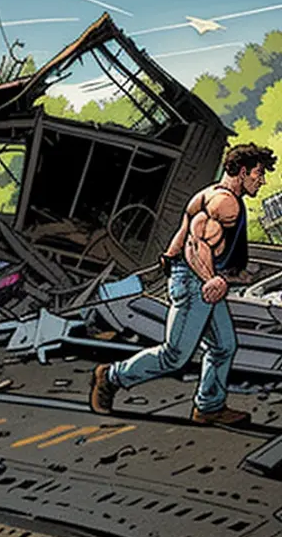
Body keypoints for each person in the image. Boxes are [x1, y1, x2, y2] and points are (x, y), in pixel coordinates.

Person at [91, 143, 276, 427]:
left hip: (195, 279)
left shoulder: (206, 194)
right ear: (242, 171)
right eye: (258, 174)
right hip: (196, 283)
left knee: (223, 345)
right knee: (174, 354)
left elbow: (185, 231)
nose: (261, 181)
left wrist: (168, 255)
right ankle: (111, 376)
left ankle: (209, 406)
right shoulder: (226, 203)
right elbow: (196, 244)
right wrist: (210, 278)